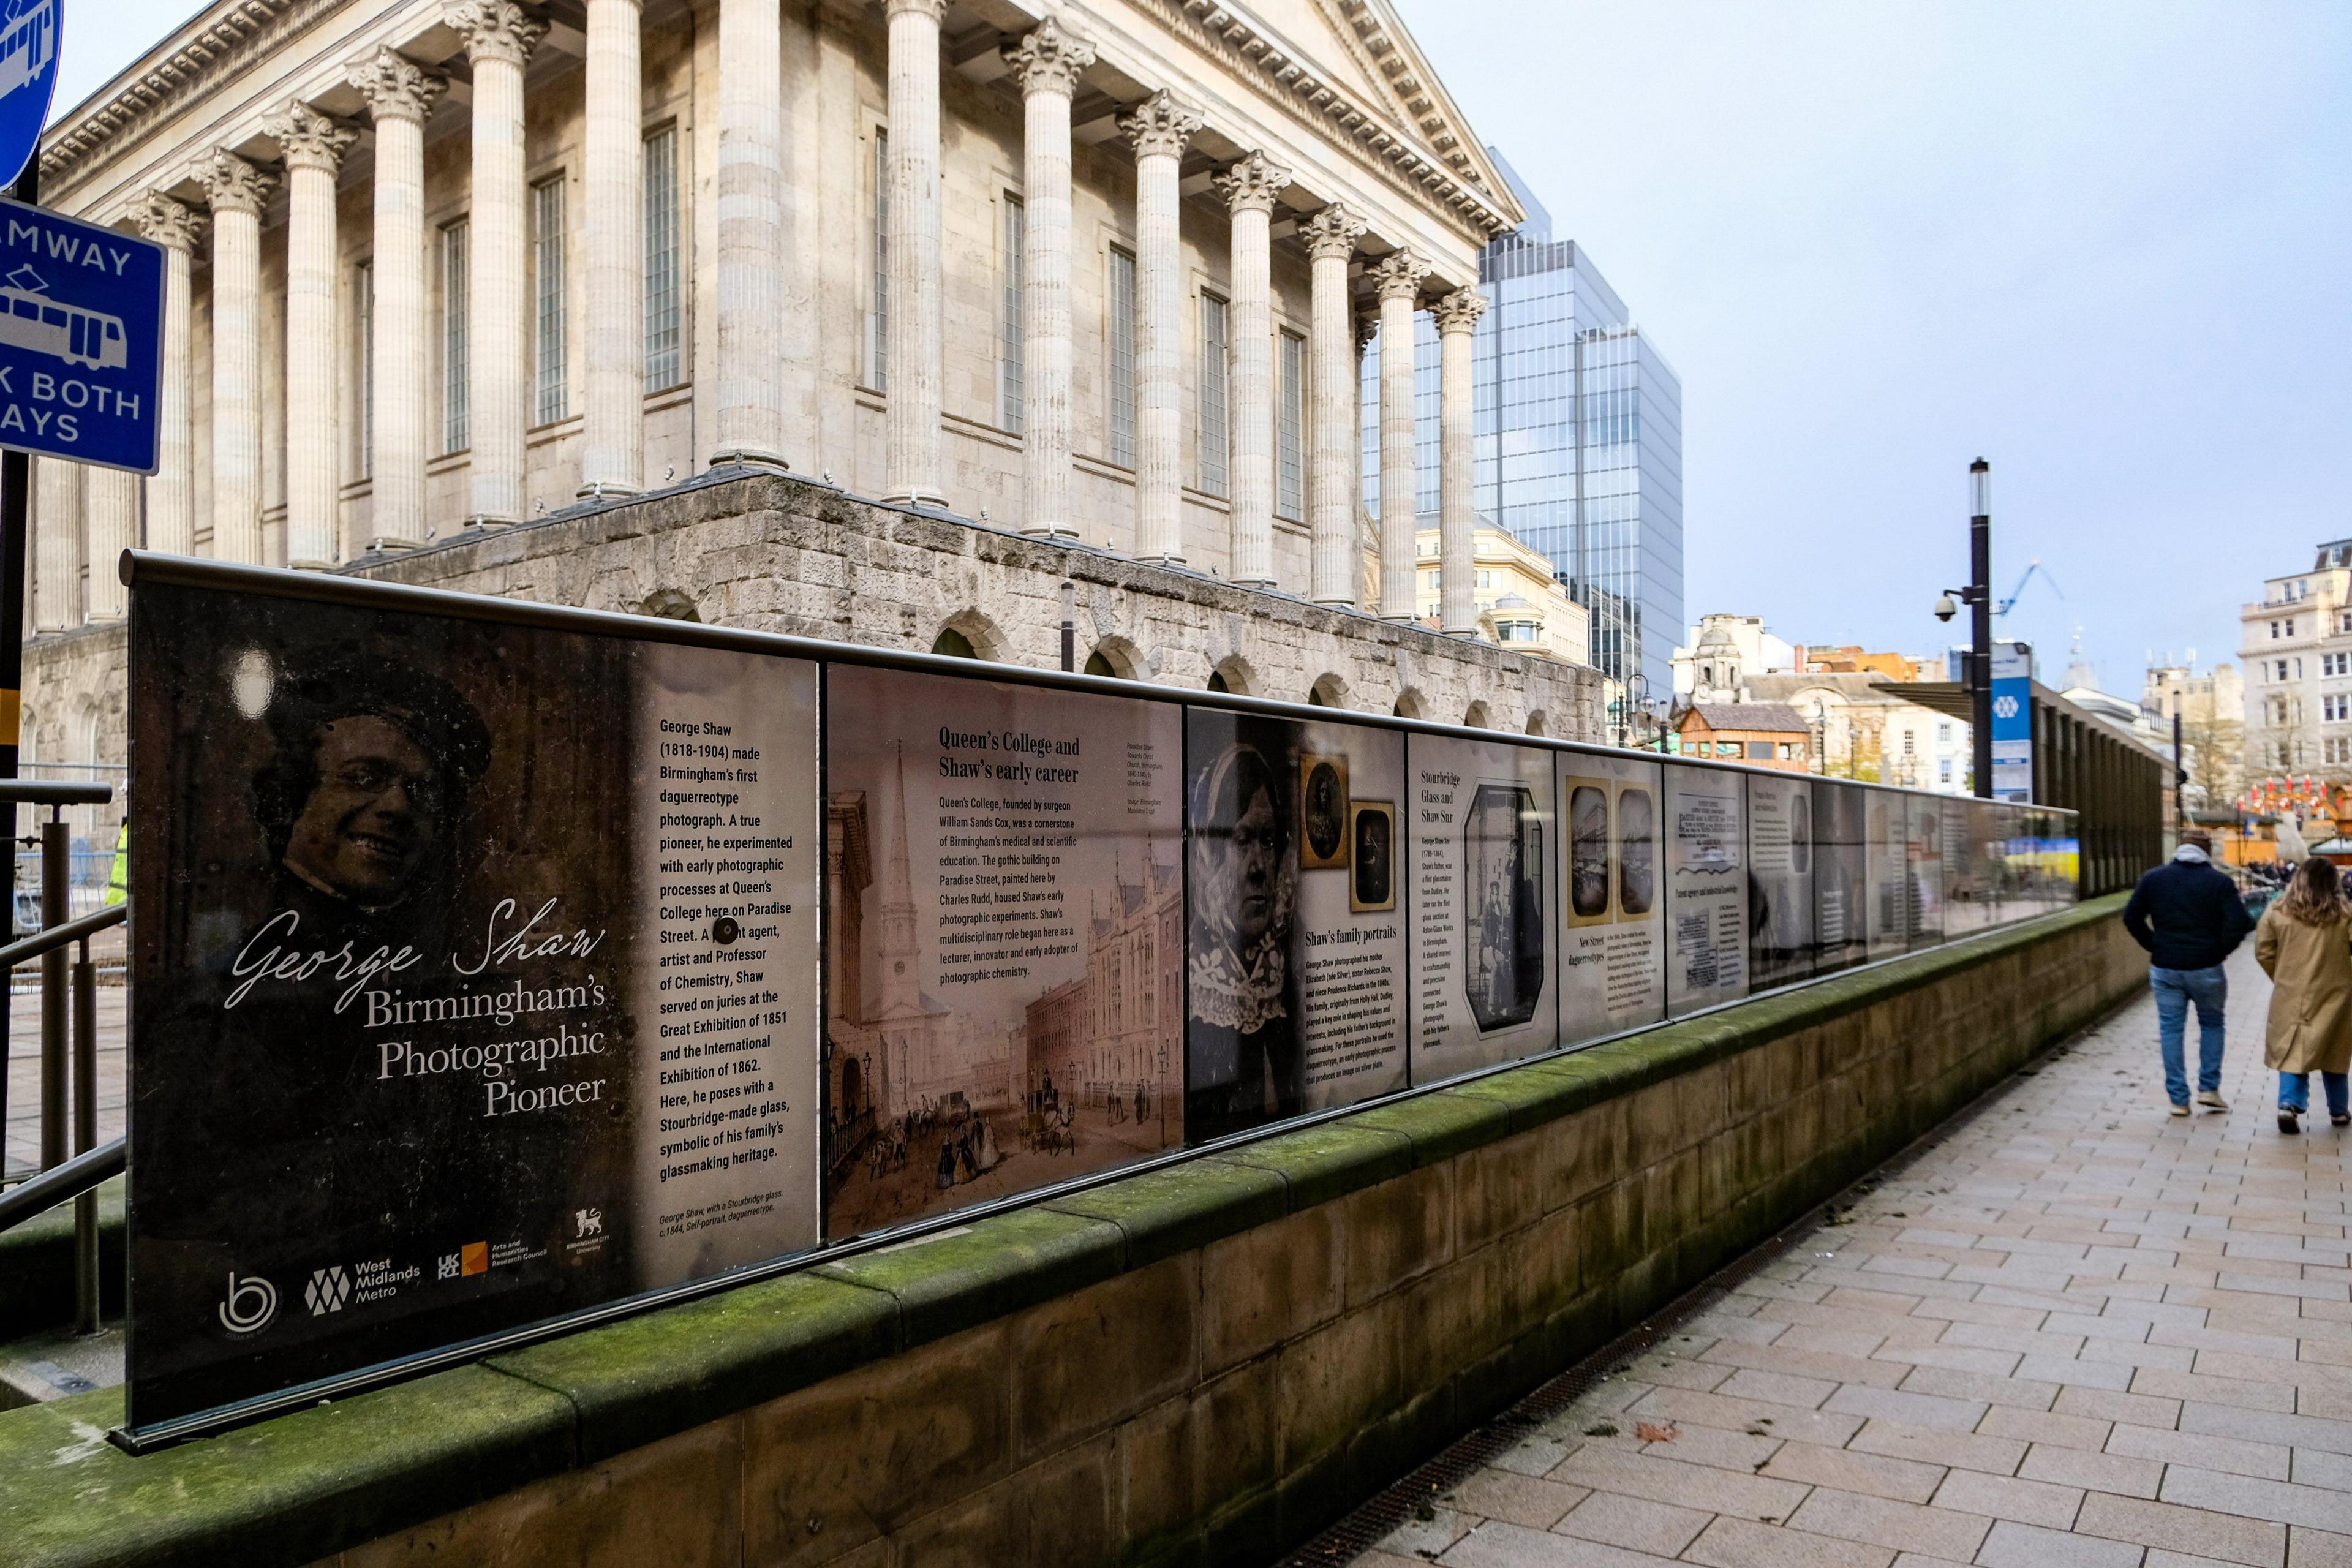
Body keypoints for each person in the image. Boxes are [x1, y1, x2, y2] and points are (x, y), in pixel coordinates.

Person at [2124, 832, 2256, 1114]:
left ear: (2179, 849)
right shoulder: (2219, 882)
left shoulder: (2154, 878)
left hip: (2166, 967)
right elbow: (2241, 922)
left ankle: (2178, 1100)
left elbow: (2131, 917)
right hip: (2206, 967)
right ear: (2207, 852)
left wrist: (2155, 944)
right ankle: (2209, 1089)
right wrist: (2219, 951)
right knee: (2211, 1024)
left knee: (2171, 1029)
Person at [2256, 856, 2352, 1134]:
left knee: (2293, 1048)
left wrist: (2282, 976)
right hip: (2336, 992)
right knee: (2335, 1051)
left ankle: (2289, 1104)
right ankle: (2338, 1111)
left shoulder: (2278, 911)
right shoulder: (2344, 915)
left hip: (2292, 992)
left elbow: (2264, 950)